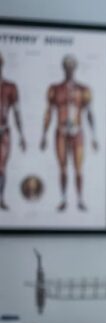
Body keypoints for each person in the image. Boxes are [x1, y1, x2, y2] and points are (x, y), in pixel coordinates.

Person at [40, 54, 97, 212]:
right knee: (63, 168)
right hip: (61, 132)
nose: (69, 69)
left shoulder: (83, 89)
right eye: (67, 66)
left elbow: (89, 113)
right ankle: (64, 198)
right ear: (63, 68)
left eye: (72, 66)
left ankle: (79, 199)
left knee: (78, 168)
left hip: (77, 132)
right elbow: (49, 112)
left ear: (75, 68)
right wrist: (44, 134)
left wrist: (94, 137)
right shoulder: (55, 89)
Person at [0, 52, 27, 210]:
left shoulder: (10, 87)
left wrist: (22, 135)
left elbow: (16, 112)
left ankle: (1, 198)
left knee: (1, 167)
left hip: (3, 132)